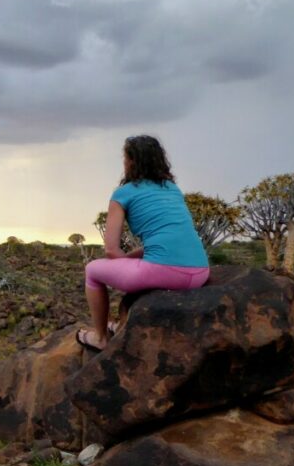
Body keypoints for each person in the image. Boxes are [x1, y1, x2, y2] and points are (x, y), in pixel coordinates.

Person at [77, 135, 209, 351]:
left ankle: (100, 337)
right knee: (143, 265)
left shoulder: (123, 194)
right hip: (200, 271)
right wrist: (131, 261)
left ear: (130, 161)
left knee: (92, 270)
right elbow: (165, 241)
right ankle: (118, 324)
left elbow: (111, 250)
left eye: (125, 158)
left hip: (166, 273)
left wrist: (125, 265)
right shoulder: (172, 188)